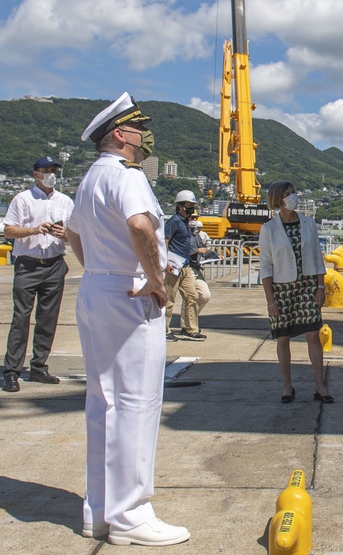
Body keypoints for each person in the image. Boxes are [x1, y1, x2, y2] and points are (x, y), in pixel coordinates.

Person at [64, 92, 190, 546]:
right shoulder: (126, 175)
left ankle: (98, 509)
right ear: (120, 134)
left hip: (97, 286)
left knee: (103, 401)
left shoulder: (89, 178)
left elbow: (74, 233)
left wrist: (98, 268)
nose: (144, 137)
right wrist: (156, 279)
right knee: (137, 401)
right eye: (138, 129)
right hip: (129, 292)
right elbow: (140, 225)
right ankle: (131, 514)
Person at [2, 156, 74, 393]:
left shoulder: (65, 201)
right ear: (36, 174)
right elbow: (9, 230)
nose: (51, 174)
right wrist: (34, 229)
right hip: (28, 263)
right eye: (47, 170)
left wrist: (64, 234)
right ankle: (11, 370)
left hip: (54, 263)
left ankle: (39, 365)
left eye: (54, 170)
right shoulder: (23, 199)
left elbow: (75, 233)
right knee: (21, 317)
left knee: (48, 317)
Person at [258, 180, 332, 404]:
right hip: (282, 288)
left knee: (313, 335)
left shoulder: (309, 223)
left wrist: (321, 287)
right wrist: (270, 300)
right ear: (278, 200)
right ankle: (287, 387)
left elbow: (318, 258)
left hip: (308, 285)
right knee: (283, 338)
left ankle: (320, 386)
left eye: (293, 193)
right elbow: (266, 266)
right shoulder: (269, 229)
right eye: (288, 194)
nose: (293, 197)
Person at [163, 190, 205, 341]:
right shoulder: (174, 221)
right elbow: (165, 240)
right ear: (180, 206)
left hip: (185, 266)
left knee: (191, 296)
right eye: (188, 204)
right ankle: (164, 329)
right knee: (169, 298)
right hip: (174, 266)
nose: (191, 207)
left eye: (192, 204)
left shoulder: (185, 222)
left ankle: (190, 329)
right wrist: (165, 262)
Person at [186, 219, 211, 318]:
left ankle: (191, 318)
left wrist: (215, 255)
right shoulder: (182, 234)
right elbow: (179, 250)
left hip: (196, 267)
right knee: (190, 297)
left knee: (205, 295)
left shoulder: (197, 236)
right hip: (187, 268)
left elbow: (203, 249)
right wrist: (196, 251)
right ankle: (187, 325)